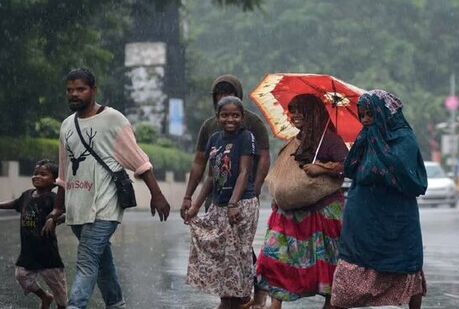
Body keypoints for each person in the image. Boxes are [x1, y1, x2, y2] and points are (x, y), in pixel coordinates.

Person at [42, 68, 170, 309]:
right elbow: (64, 173)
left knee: (87, 260)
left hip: (104, 206)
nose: (74, 94)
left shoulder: (114, 119)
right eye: (70, 90)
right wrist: (58, 209)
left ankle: (75, 306)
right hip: (77, 207)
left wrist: (157, 195)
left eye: (80, 89)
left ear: (94, 90)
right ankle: (116, 304)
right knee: (101, 261)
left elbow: (139, 161)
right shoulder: (66, 126)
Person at [331, 90, 427, 309]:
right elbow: (352, 168)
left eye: (370, 115)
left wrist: (377, 143)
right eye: (362, 115)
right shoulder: (365, 137)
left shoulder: (404, 138)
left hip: (396, 217)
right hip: (363, 215)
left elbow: (402, 173)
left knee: (405, 267)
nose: (365, 121)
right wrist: (366, 140)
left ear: (384, 113)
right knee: (350, 271)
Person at [180, 74, 270, 307]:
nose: (230, 118)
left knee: (237, 252)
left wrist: (254, 191)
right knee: (224, 251)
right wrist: (192, 200)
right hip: (218, 201)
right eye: (220, 97)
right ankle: (238, 294)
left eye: (234, 112)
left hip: (241, 200)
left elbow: (256, 163)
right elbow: (206, 169)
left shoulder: (251, 128)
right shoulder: (211, 131)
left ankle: (237, 297)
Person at [253, 94, 347, 309]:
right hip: (287, 215)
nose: (294, 115)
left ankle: (331, 304)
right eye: (291, 110)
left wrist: (322, 168)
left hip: (322, 214)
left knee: (328, 267)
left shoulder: (330, 140)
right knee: (275, 259)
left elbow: (347, 166)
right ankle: (274, 303)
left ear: (313, 113)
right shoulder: (295, 141)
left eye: (299, 110)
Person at [0, 159, 67, 309]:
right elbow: (14, 203)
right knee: (21, 276)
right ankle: (44, 296)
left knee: (60, 292)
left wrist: (55, 220)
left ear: (54, 181)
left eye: (43, 174)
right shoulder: (27, 195)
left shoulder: (53, 199)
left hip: (48, 253)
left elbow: (64, 213)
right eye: (35, 173)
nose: (37, 176)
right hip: (29, 251)